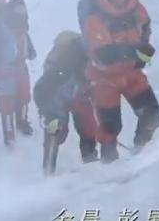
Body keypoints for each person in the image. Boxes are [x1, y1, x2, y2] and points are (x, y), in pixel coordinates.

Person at [77, 0, 159, 163]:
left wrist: (144, 46)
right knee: (110, 128)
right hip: (103, 79)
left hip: (132, 73)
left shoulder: (134, 7)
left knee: (152, 115)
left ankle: (140, 152)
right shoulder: (94, 18)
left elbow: (145, 25)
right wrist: (135, 51)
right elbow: (103, 54)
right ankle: (110, 164)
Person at [33, 31, 105, 173]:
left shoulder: (56, 60)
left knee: (56, 129)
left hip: (64, 96)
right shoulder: (76, 59)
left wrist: (44, 110)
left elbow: (42, 89)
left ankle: (49, 168)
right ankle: (90, 158)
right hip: (70, 95)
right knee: (85, 126)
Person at [0, 0, 36, 147]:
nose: (22, 13)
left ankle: (22, 121)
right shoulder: (0, 28)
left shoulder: (23, 28)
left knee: (24, 96)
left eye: (23, 9)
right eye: (19, 10)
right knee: (6, 102)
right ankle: (8, 132)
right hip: (4, 69)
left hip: (21, 67)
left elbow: (27, 43)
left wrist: (31, 52)